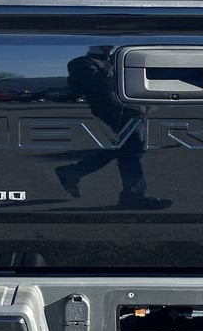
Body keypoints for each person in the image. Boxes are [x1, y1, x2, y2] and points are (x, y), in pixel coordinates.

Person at [54, 46, 170, 210]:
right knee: (131, 151)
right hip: (112, 113)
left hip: (134, 112)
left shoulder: (117, 63)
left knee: (123, 150)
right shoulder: (82, 63)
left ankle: (73, 172)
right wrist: (115, 67)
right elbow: (86, 85)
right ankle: (134, 196)